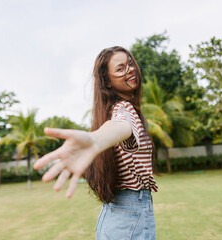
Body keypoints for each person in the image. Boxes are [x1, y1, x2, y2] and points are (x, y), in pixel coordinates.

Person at [34, 46, 159, 240]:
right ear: (108, 82)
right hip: (130, 215)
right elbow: (121, 125)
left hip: (114, 215)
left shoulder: (109, 111)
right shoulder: (124, 109)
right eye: (120, 68)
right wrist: (94, 139)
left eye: (131, 63)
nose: (131, 69)